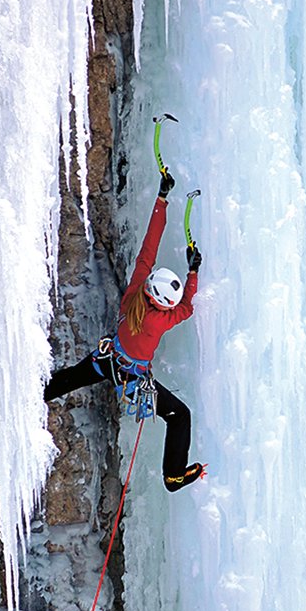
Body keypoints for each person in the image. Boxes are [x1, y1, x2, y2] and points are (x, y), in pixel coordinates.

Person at [45, 168, 206, 492]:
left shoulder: (134, 293)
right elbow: (186, 308)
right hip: (131, 379)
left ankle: (33, 396)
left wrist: (161, 199)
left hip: (105, 359)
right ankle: (174, 476)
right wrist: (193, 273)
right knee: (179, 416)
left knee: (70, 378)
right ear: (163, 305)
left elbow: (149, 248)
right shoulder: (160, 319)